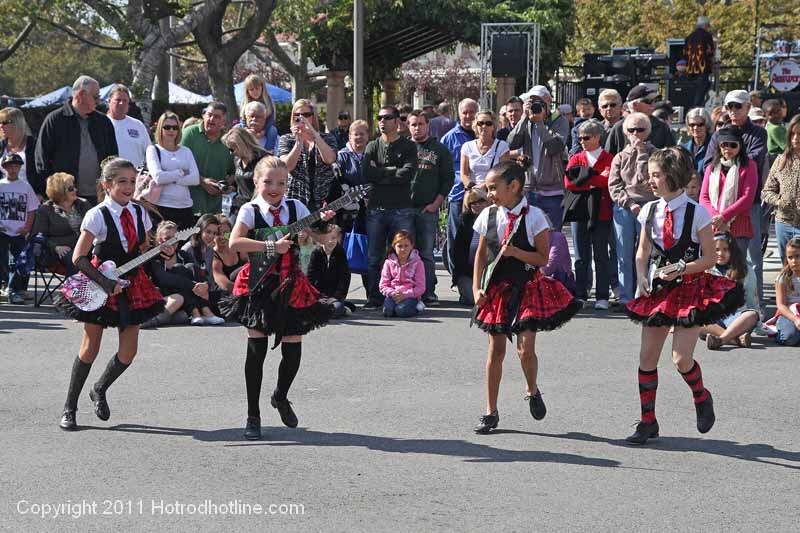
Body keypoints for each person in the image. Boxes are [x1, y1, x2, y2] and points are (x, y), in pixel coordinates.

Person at [623, 147, 742, 445]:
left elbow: (711, 259)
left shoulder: (697, 212)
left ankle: (702, 397)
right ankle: (648, 421)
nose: (650, 180)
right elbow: (643, 251)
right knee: (647, 357)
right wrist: (640, 277)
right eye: (650, 175)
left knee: (680, 359)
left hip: (690, 289)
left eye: (655, 175)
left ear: (672, 177)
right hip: (659, 290)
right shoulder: (650, 211)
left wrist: (680, 268)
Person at [219, 156, 334, 440]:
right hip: (258, 284)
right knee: (256, 352)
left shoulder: (296, 207)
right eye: (268, 181)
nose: (274, 188)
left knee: (293, 352)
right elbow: (235, 243)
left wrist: (323, 225)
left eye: (281, 183)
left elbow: (322, 239)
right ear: (256, 182)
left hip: (291, 282)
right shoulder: (250, 210)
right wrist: (271, 246)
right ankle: (252, 416)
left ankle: (280, 396)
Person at [54, 157, 165, 431]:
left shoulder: (141, 213)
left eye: (132, 181)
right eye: (122, 181)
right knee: (90, 348)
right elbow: (79, 258)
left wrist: (160, 251)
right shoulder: (97, 215)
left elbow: (141, 250)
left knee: (129, 352)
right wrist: (105, 283)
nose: (129, 187)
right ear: (107, 184)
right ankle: (69, 407)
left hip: (132, 284)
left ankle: (100, 388)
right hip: (99, 281)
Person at [471, 159, 581, 434]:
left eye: (494, 188)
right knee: (495, 351)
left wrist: (516, 253)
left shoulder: (535, 217)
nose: (490, 194)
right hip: (497, 289)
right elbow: (482, 254)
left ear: (514, 186)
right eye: (487, 189)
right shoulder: (488, 215)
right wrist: (476, 288)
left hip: (527, 287)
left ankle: (532, 390)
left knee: (525, 349)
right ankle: (490, 411)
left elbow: (543, 258)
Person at [703, 90, 768, 305]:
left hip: (747, 208)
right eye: (729, 107)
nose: (733, 111)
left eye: (737, 106)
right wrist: (717, 215)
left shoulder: (759, 133)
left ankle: (754, 307)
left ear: (748, 107)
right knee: (716, 260)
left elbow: (753, 161)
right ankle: (719, 308)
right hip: (716, 213)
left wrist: (726, 213)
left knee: (751, 261)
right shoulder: (717, 134)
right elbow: (707, 165)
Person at [362, 105, 418, 309]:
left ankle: (407, 295)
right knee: (374, 256)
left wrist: (383, 172)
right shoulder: (372, 146)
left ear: (397, 122)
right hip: (376, 208)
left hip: (402, 208)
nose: (382, 121)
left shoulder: (409, 147)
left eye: (387, 117)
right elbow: (367, 173)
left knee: (405, 254)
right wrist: (393, 172)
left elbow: (408, 174)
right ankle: (374, 297)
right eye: (379, 117)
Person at [35, 75, 118, 205]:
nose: (99, 101)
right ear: (81, 95)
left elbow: (113, 159)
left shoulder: (103, 122)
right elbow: (41, 161)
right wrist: (53, 194)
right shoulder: (55, 120)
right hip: (65, 199)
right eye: (95, 96)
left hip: (99, 198)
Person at [607, 112, 658, 306]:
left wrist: (642, 155)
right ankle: (626, 298)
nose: (636, 133)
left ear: (648, 131)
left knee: (647, 252)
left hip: (650, 206)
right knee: (623, 254)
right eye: (631, 129)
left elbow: (646, 181)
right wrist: (630, 204)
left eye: (640, 129)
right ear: (625, 132)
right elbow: (614, 185)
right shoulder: (620, 157)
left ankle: (645, 295)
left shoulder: (656, 154)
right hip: (625, 208)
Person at [564, 120, 615, 309]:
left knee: (601, 254)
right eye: (580, 138)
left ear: (597, 137)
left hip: (602, 212)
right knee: (580, 256)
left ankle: (602, 295)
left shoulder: (609, 158)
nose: (582, 141)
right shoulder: (576, 157)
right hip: (579, 213)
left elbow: (607, 181)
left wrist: (584, 177)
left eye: (586, 137)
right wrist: (594, 179)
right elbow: (569, 183)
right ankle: (581, 294)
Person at [408, 110, 453, 305]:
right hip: (404, 209)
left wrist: (436, 204)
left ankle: (428, 292)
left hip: (428, 209)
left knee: (426, 253)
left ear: (428, 126)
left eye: (421, 124)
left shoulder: (439, 149)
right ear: (408, 126)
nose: (417, 127)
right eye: (413, 124)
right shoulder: (401, 147)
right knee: (405, 251)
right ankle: (408, 289)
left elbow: (448, 179)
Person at [507, 86, 566, 229]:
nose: (534, 104)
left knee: (552, 237)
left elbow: (554, 148)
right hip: (530, 190)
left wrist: (539, 123)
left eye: (537, 101)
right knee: (530, 237)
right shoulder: (526, 122)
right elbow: (512, 143)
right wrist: (523, 119)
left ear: (548, 101)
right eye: (530, 101)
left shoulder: (559, 121)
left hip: (553, 191)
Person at [700, 127, 758, 253]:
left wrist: (724, 216)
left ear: (740, 146)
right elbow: (703, 198)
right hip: (714, 225)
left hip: (739, 225)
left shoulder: (749, 166)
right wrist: (717, 218)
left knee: (737, 269)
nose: (728, 148)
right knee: (713, 269)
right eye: (724, 145)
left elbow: (747, 198)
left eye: (733, 145)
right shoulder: (711, 167)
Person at [278, 99, 338, 212]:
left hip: (324, 199)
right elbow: (286, 167)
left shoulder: (327, 138)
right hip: (296, 197)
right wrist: (298, 142)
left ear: (313, 117)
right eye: (297, 115)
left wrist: (314, 135)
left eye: (306, 115)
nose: (302, 118)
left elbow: (330, 159)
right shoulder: (286, 139)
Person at [141, 220, 203, 329]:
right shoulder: (154, 256)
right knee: (178, 299)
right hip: (161, 298)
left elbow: (196, 274)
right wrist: (192, 285)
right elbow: (163, 279)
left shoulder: (184, 255)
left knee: (189, 268)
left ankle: (198, 312)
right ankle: (150, 321)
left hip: (184, 302)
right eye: (167, 239)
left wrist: (202, 284)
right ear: (159, 240)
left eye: (175, 238)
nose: (172, 242)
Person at [702, 232, 759, 349]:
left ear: (732, 250)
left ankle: (721, 339)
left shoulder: (745, 270)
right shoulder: (705, 269)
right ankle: (736, 340)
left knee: (752, 315)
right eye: (716, 249)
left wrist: (758, 324)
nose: (720, 254)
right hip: (715, 319)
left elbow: (751, 301)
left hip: (737, 317)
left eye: (725, 249)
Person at [441, 98, 478, 275]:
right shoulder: (449, 138)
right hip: (458, 195)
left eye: (472, 112)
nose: (468, 116)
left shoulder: (484, 134)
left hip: (482, 197)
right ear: (459, 113)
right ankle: (458, 278)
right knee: (456, 238)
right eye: (465, 112)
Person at [146, 111, 200, 230]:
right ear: (160, 129)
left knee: (185, 247)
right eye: (167, 127)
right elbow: (158, 177)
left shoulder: (186, 151)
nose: (171, 131)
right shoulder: (153, 149)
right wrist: (180, 172)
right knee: (162, 247)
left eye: (175, 127)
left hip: (185, 208)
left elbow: (195, 179)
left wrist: (171, 178)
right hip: (161, 208)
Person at [181, 102, 235, 218]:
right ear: (203, 116)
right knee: (186, 236)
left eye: (217, 117)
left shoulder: (228, 141)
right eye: (209, 115)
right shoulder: (190, 133)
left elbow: (233, 172)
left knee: (217, 236)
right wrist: (202, 181)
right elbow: (178, 163)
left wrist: (225, 186)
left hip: (215, 208)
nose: (211, 119)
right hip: (187, 203)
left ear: (223, 121)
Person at [31, 172, 91, 276]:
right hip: (56, 251)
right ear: (60, 192)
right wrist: (55, 247)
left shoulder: (84, 204)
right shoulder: (45, 210)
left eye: (74, 187)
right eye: (71, 188)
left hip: (85, 246)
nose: (75, 190)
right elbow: (38, 236)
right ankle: (78, 290)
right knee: (74, 258)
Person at [0, 153, 39, 303]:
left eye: (16, 166)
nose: (13, 169)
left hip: (19, 231)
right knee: (2, 260)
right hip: (2, 230)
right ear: (4, 168)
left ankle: (13, 289)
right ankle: (6, 286)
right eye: (10, 166)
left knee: (19, 261)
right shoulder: (1, 185)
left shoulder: (25, 186)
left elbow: (32, 209)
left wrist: (27, 227)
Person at [761, 115, 800, 264]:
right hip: (783, 223)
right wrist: (779, 201)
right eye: (793, 134)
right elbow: (766, 192)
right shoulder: (781, 160)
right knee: (787, 270)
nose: (796, 138)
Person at [604, 85, 675, 155]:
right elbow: (608, 158)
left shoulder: (661, 126)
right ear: (634, 104)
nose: (653, 104)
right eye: (648, 101)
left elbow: (672, 154)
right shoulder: (619, 127)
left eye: (655, 101)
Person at [451, 186, 490, 305]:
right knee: (474, 300)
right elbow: (457, 253)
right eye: (472, 202)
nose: (477, 205)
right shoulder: (464, 221)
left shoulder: (496, 219)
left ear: (487, 201)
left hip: (490, 272)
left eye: (480, 201)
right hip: (468, 272)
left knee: (490, 299)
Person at [221, 127, 267, 219]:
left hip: (258, 210)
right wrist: (230, 188)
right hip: (238, 208)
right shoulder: (237, 160)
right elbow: (242, 184)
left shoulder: (265, 160)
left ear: (241, 145)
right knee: (230, 233)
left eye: (232, 149)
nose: (231, 153)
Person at [307, 224, 351, 318]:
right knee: (309, 308)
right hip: (319, 295)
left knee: (336, 308)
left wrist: (336, 297)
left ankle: (340, 307)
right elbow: (310, 277)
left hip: (334, 296)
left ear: (338, 238)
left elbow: (345, 278)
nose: (331, 241)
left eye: (334, 238)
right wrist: (317, 296)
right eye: (327, 238)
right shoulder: (316, 253)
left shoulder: (340, 252)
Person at [379, 229, 425, 318]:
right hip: (393, 295)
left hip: (410, 295)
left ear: (412, 246)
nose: (403, 249)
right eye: (399, 246)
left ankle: (417, 307)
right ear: (394, 246)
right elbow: (383, 285)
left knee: (401, 311)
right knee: (387, 312)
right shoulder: (388, 263)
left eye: (406, 246)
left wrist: (406, 294)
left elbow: (421, 287)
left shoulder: (418, 263)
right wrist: (392, 293)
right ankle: (396, 308)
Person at [0, 107, 45, 197]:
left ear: (17, 123)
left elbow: (43, 172)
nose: (1, 126)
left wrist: (40, 194)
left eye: (4, 122)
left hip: (31, 197)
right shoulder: (1, 146)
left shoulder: (35, 145)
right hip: (4, 198)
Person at [460, 110, 511, 188]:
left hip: (494, 192)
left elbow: (502, 175)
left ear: (493, 126)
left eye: (488, 123)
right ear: (475, 126)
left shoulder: (502, 146)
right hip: (473, 193)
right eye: (480, 123)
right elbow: (464, 174)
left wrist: (482, 187)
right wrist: (472, 188)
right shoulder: (467, 146)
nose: (484, 126)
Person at [106, 84, 150, 168]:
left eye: (125, 100)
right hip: (111, 177)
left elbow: (149, 152)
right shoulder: (102, 124)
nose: (121, 103)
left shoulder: (137, 125)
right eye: (118, 100)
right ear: (109, 102)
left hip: (136, 177)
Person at [771, 237, 800, 346]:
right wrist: (796, 320)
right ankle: (779, 331)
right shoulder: (782, 278)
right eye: (790, 257)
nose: (794, 261)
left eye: (797, 256)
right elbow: (781, 305)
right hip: (789, 314)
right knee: (790, 338)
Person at [211, 213, 247, 294]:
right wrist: (243, 291)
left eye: (226, 232)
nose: (222, 237)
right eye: (218, 234)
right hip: (225, 293)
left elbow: (250, 264)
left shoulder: (238, 247)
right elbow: (223, 283)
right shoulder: (213, 256)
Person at [684, 16, 715, 108]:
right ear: (705, 25)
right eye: (707, 26)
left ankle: (690, 109)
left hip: (690, 69)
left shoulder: (689, 36)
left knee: (692, 91)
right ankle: (698, 109)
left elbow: (685, 53)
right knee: (701, 91)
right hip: (702, 68)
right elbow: (710, 51)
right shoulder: (707, 36)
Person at [681, 108, 712, 176]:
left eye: (700, 124)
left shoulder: (714, 146)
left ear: (706, 125)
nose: (695, 128)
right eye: (692, 125)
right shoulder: (683, 149)